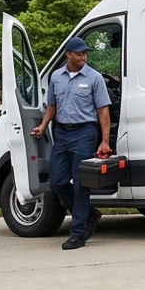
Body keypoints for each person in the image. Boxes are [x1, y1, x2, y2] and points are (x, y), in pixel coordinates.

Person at [31, 35, 112, 250]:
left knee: (80, 183)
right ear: (68, 54)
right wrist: (42, 125)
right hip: (62, 133)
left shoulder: (94, 78)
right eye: (79, 54)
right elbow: (52, 107)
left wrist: (104, 141)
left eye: (85, 53)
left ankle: (78, 234)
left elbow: (103, 111)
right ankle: (89, 214)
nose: (83, 57)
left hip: (84, 133)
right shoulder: (56, 77)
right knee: (57, 181)